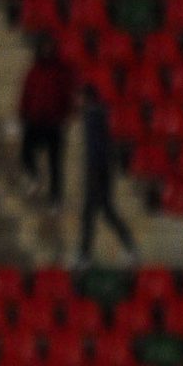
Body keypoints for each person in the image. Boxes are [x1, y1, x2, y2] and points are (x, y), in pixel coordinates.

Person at [73, 88, 135, 266]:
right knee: (104, 210)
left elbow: (100, 145)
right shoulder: (100, 113)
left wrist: (96, 167)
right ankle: (128, 246)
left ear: (86, 98)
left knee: (91, 212)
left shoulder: (93, 115)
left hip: (97, 168)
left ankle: (85, 256)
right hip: (102, 167)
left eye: (79, 97)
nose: (77, 101)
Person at [17, 37, 77, 204]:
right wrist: (23, 113)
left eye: (50, 46)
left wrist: (67, 116)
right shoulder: (33, 71)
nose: (47, 50)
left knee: (55, 164)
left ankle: (55, 200)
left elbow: (68, 95)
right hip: (35, 120)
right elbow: (26, 93)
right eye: (44, 46)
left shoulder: (61, 71)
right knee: (25, 153)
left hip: (54, 123)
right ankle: (35, 175)